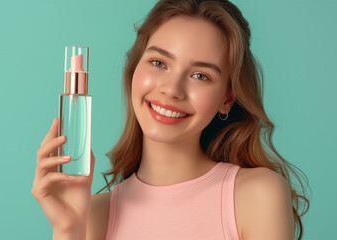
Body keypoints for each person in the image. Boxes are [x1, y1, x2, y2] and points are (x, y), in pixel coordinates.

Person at [32, 0, 310, 239]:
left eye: (201, 75)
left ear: (227, 97)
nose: (172, 90)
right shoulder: (94, 216)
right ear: (134, 70)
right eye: (159, 63)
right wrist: (67, 228)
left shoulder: (257, 194)